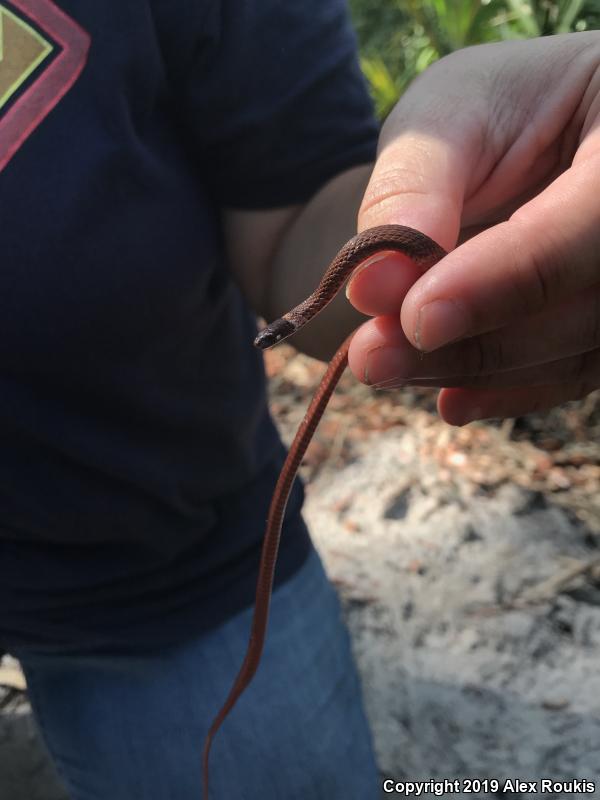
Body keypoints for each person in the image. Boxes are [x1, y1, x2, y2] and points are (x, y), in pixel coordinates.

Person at [1, 3, 598, 800]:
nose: (275, 337)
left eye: (277, 332)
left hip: (155, 566)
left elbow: (300, 216)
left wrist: (502, 195)